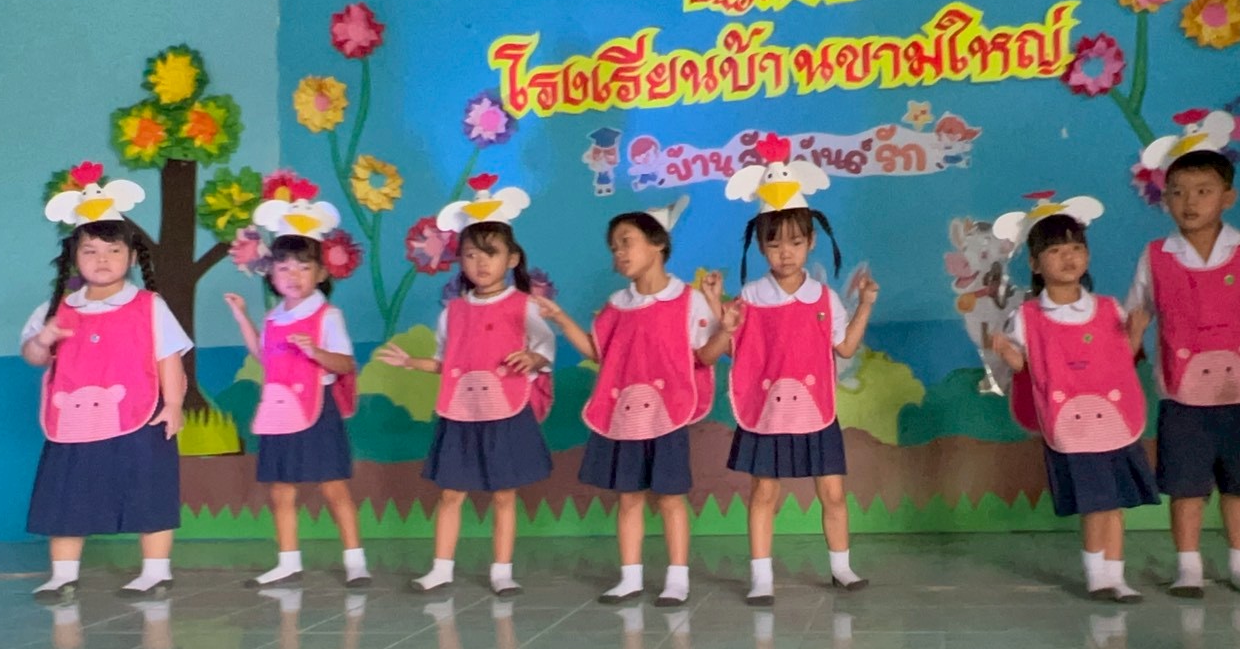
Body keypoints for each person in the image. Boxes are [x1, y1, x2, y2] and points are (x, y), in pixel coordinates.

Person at [702, 133, 878, 605]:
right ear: (760, 246)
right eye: (775, 243)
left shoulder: (823, 297)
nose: (786, 252)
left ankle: (841, 568)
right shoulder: (750, 297)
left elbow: (844, 348)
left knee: (833, 493)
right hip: (767, 412)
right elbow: (725, 350)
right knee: (764, 494)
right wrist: (720, 314)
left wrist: (865, 304)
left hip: (815, 411)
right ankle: (761, 577)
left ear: (812, 242)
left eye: (796, 242)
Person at [532, 199, 718, 606]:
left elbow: (704, 355)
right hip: (625, 416)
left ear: (658, 244)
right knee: (629, 497)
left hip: (666, 416)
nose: (619, 252)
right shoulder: (617, 305)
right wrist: (560, 317)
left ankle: (677, 580)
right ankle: (629, 577)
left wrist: (727, 328)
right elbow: (598, 352)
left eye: (626, 242)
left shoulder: (688, 301)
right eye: (614, 247)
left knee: (670, 497)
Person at [1126, 149, 1240, 598]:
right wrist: (1129, 348)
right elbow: (1137, 311)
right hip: (1182, 394)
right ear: (1165, 200)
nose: (1190, 202)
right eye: (1177, 193)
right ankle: (1188, 568)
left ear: (1227, 197)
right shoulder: (1156, 256)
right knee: (1186, 487)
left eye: (1203, 191)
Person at [376, 174, 553, 596]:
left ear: (512, 258)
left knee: (504, 495)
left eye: (491, 253)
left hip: (506, 409)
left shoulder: (525, 305)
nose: (480, 263)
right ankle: (441, 568)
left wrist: (534, 358)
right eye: (471, 255)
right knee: (451, 493)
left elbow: (544, 349)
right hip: (461, 412)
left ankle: (501, 571)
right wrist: (411, 363)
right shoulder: (452, 311)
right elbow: (445, 362)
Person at [24, 165, 186, 601]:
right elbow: (34, 357)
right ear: (73, 257)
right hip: (72, 423)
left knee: (148, 492)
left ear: (132, 258)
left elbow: (169, 357)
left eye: (113, 250)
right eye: (90, 250)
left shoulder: (149, 305)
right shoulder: (57, 309)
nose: (102, 259)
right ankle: (62, 575)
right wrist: (43, 339)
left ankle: (156, 571)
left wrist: (173, 404)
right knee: (66, 497)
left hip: (140, 415)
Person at [989, 195, 1159, 603]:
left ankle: (1116, 576)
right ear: (1034, 264)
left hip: (1113, 421)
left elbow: (1122, 359)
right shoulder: (1028, 317)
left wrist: (1136, 332)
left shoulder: (1109, 309)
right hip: (1071, 426)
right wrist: (1005, 351)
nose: (1068, 257)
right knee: (1095, 504)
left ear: (1087, 255)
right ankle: (1097, 577)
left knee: (1114, 504)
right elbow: (1026, 367)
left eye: (1076, 247)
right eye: (1055, 250)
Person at [222, 186, 367, 589]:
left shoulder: (327, 315)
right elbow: (265, 357)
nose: (293, 276)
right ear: (271, 274)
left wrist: (316, 352)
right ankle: (288, 562)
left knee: (333, 486)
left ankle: (356, 561)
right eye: (284, 268)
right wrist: (242, 317)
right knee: (281, 490)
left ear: (321, 273)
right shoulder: (273, 318)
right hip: (279, 410)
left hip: (317, 408)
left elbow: (346, 364)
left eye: (304, 267)